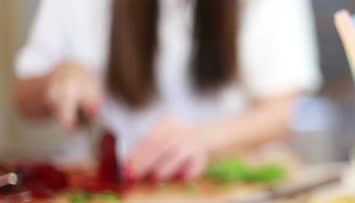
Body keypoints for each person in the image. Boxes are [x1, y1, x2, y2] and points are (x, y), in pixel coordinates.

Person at [13, 0, 322, 181]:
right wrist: (59, 79)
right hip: (110, 185)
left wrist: (204, 138)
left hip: (226, 180)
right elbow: (24, 98)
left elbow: (281, 114)